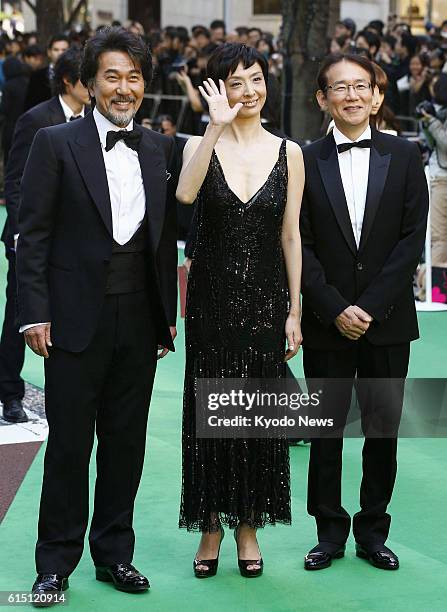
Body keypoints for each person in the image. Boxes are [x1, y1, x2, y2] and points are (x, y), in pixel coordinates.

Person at [16, 27, 178, 601]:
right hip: (72, 320)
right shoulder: (55, 142)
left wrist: (167, 317)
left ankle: (114, 554)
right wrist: (35, 314)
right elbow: (29, 236)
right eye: (112, 75)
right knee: (68, 446)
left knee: (125, 443)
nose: (124, 87)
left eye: (134, 76)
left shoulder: (158, 147)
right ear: (89, 83)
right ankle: (55, 562)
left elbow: (163, 242)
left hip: (139, 319)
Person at [176, 42, 304, 578]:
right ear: (217, 90)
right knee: (210, 413)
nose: (248, 92)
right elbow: (184, 195)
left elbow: (291, 236)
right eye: (235, 83)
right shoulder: (200, 144)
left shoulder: (289, 151)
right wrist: (213, 127)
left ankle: (248, 525)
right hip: (210, 300)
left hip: (267, 301)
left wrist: (294, 311)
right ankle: (209, 524)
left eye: (255, 79)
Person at [300, 53, 428, 572]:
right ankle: (327, 531)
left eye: (362, 87)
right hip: (326, 320)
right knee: (327, 431)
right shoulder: (304, 159)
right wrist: (332, 307)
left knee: (382, 430)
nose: (352, 96)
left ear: (377, 95)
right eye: (340, 88)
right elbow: (298, 241)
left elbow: (409, 240)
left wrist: (369, 307)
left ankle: (373, 530)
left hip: (388, 320)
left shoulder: (404, 155)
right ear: (322, 98)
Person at [0, 48, 89, 425]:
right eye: (90, 78)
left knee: (69, 316)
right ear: (69, 81)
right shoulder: (36, 119)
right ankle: (10, 394)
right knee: (20, 314)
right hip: (30, 238)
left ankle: (67, 397)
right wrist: (24, 234)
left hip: (74, 242)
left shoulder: (96, 122)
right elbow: (15, 182)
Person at [23, 33, 69, 110]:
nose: (60, 53)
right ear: (49, 52)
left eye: (64, 50)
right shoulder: (36, 76)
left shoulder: (77, 74)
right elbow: (29, 105)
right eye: (56, 49)